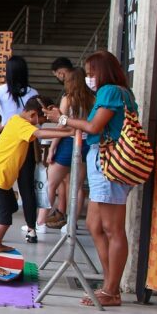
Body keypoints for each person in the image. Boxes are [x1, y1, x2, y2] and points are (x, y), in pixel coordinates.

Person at [59, 50, 136, 307]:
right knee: (94, 225)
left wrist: (62, 118)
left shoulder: (111, 92)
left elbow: (94, 127)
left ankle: (112, 289)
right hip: (101, 161)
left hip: (109, 163)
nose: (88, 78)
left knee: (113, 229)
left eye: (91, 73)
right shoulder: (115, 93)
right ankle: (108, 282)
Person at [0, 96, 72, 277]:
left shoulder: (15, 120)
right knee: (5, 219)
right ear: (33, 114)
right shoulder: (21, 124)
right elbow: (40, 135)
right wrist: (68, 133)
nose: (39, 126)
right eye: (40, 121)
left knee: (10, 206)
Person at [0, 56, 41, 243]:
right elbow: (38, 121)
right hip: (26, 144)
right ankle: (31, 230)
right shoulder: (33, 93)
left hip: (6, 142)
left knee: (1, 185)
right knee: (27, 188)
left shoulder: (1, 90)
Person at [44, 67, 95, 233]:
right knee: (78, 186)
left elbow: (61, 124)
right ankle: (71, 223)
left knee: (51, 183)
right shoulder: (93, 99)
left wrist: (52, 148)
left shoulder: (68, 99)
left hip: (69, 141)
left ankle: (40, 222)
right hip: (87, 143)